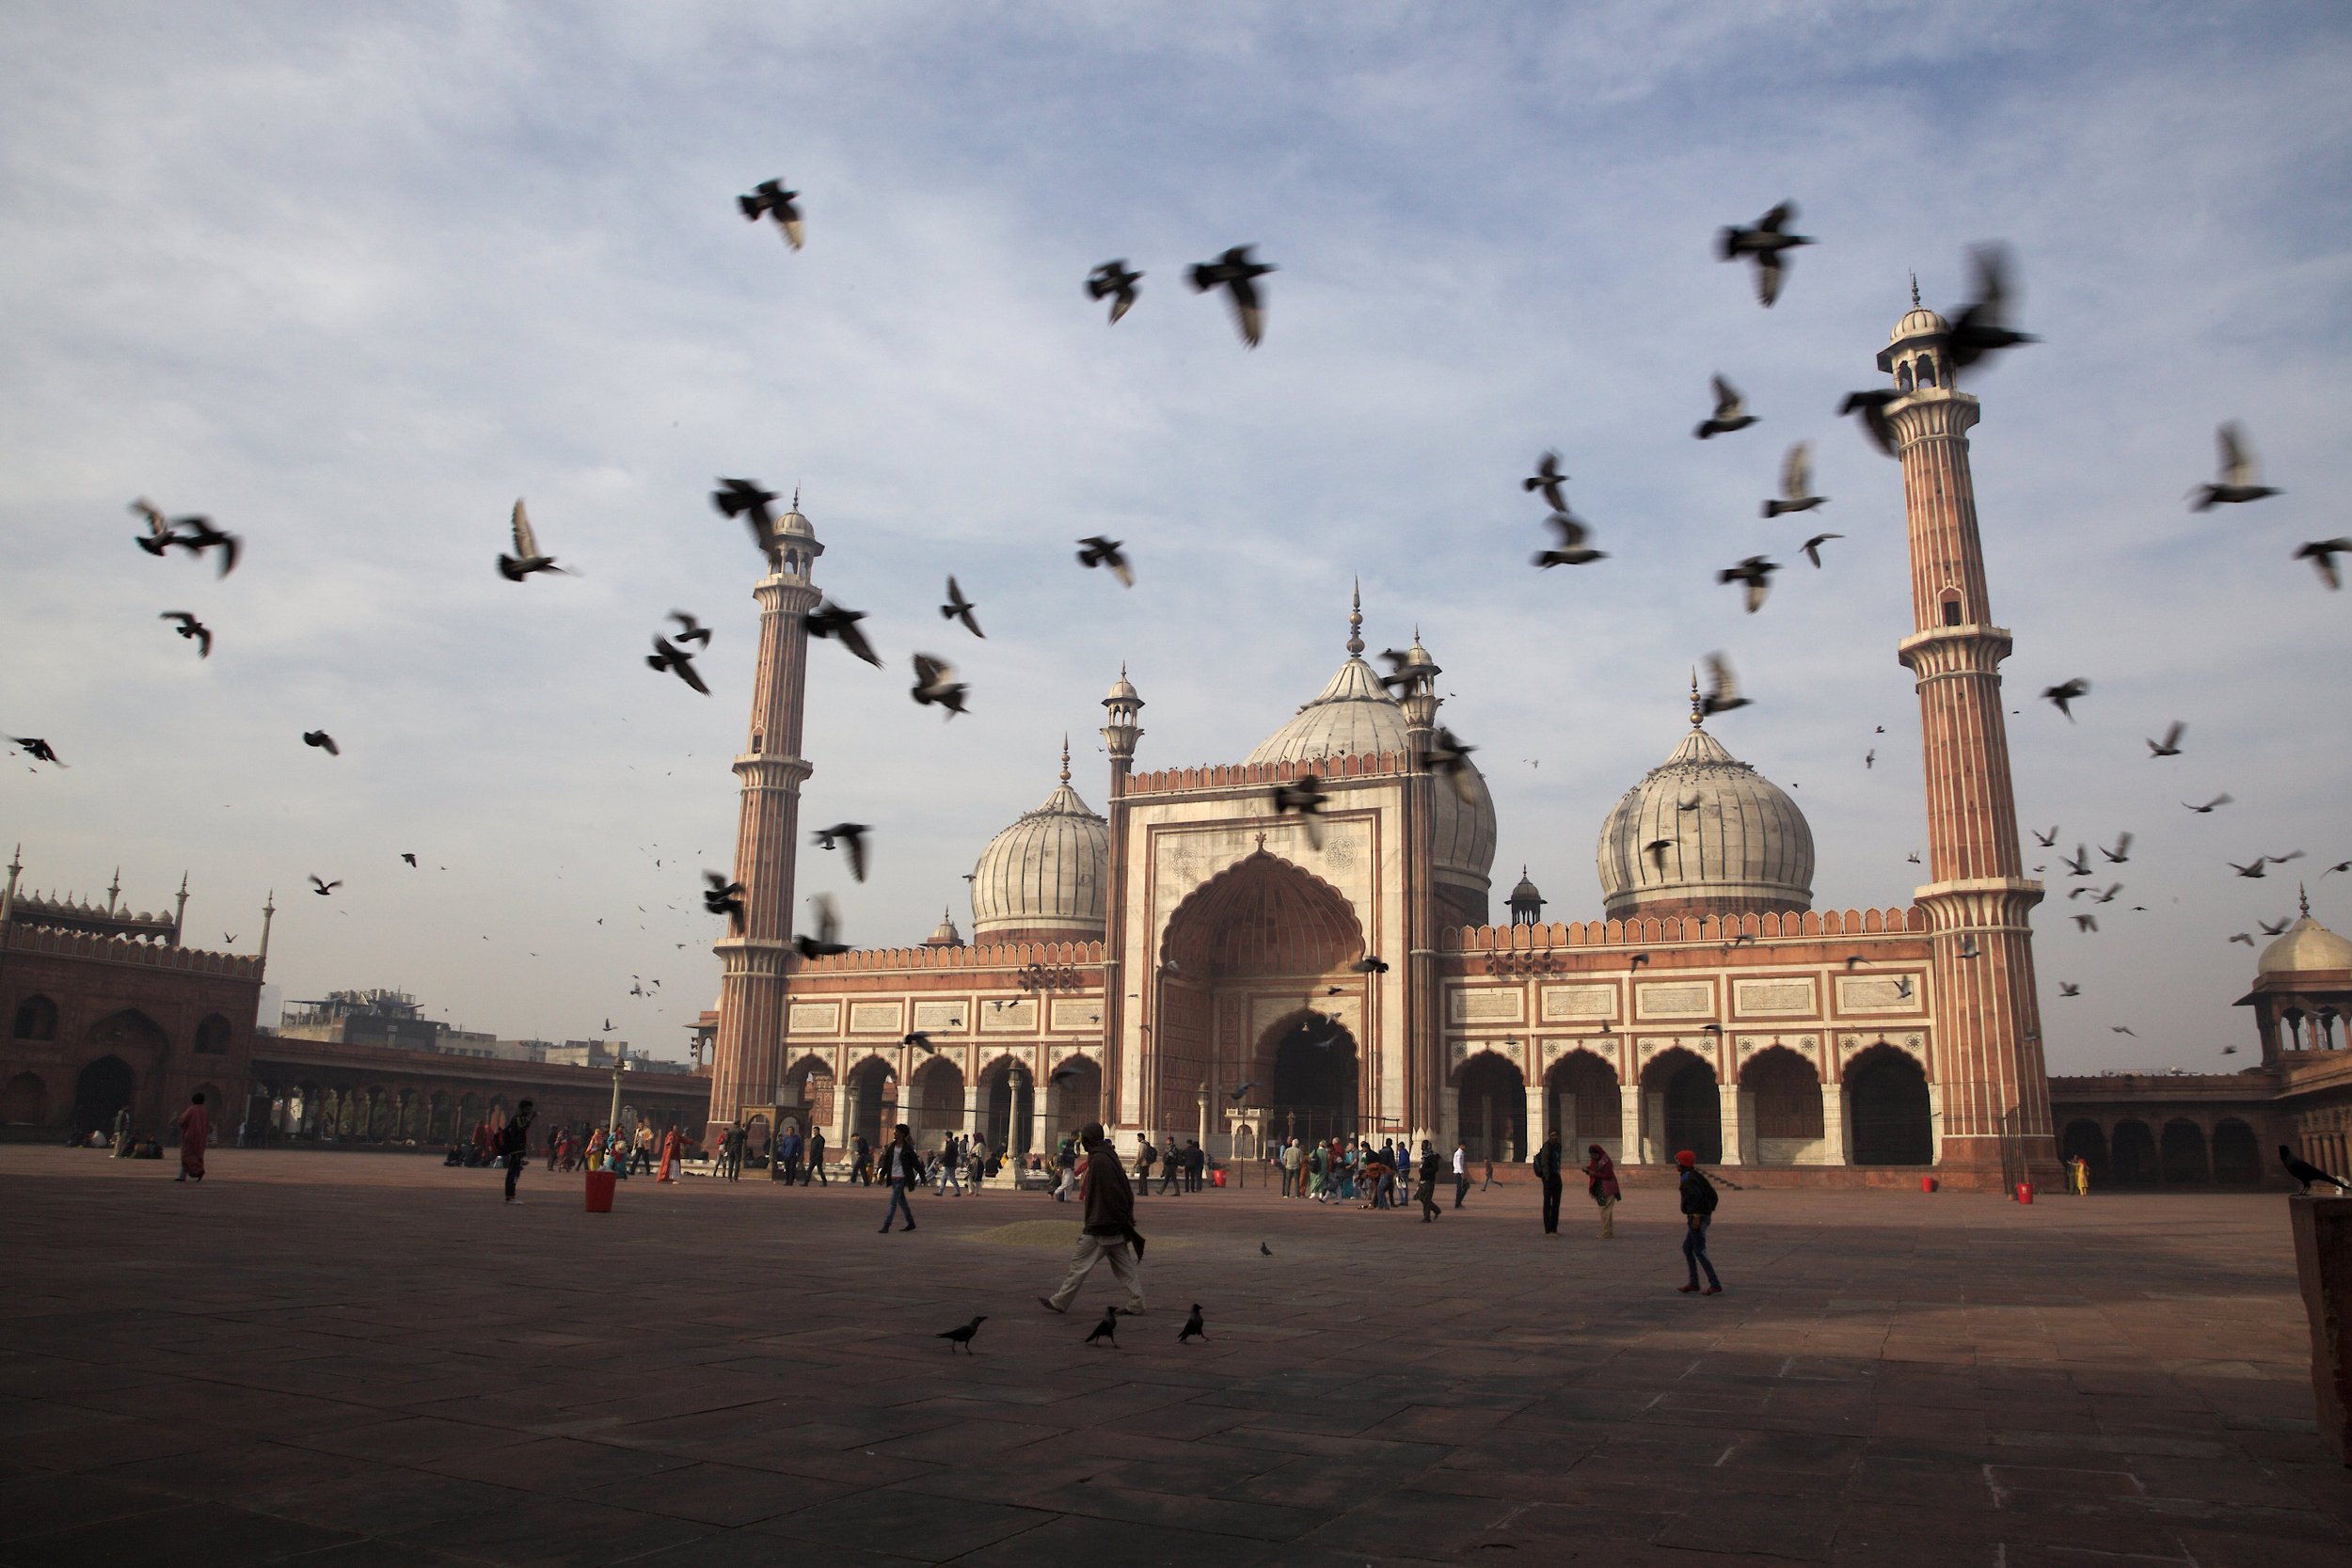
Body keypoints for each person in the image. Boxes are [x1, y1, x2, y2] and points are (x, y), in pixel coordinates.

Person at [1038, 1121, 1145, 1318]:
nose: (1083, 1145)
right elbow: (1123, 1190)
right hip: (1114, 1224)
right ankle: (1137, 1303)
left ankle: (1060, 1301)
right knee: (1125, 1267)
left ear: (1089, 1141)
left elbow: (1107, 1194)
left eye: (1084, 1141)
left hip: (1102, 1225)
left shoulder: (1100, 1161)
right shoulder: (1107, 1156)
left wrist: (1100, 1220)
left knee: (1079, 1263)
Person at [1675, 1149, 1722, 1294]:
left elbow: (1697, 1198)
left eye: (1677, 1162)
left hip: (1698, 1217)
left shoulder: (1689, 1179)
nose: (1675, 1165)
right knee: (1688, 1248)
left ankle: (1715, 1284)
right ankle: (1694, 1282)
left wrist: (1696, 1216)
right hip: (1699, 1216)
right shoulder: (1691, 1176)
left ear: (1682, 1164)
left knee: (1699, 1251)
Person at [878, 1123, 921, 1232]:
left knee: (893, 1202)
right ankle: (911, 1222)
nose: (895, 1133)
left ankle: (886, 1225)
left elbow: (915, 1162)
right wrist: (882, 1174)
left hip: (902, 1177)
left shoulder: (907, 1148)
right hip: (893, 1176)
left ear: (902, 1134)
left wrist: (922, 1175)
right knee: (901, 1202)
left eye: (897, 1132)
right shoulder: (892, 1147)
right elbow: (887, 1162)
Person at [501, 1099, 537, 1202]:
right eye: (527, 1109)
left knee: (515, 1172)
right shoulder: (518, 1118)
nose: (529, 1111)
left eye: (530, 1109)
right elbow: (522, 1129)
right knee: (512, 1172)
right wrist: (531, 1118)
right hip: (515, 1148)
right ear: (522, 1109)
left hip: (518, 1149)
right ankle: (510, 1196)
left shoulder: (521, 1118)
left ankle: (511, 1195)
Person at [1584, 1143, 1622, 1238]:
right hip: (1601, 1188)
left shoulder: (1605, 1161)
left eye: (1594, 1155)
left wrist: (1593, 1173)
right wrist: (1587, 1169)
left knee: (1605, 1211)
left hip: (1607, 1188)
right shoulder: (1596, 1160)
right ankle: (1608, 1231)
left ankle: (1606, 1232)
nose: (1593, 1157)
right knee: (1606, 1211)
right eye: (1592, 1155)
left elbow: (1608, 1175)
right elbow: (1593, 1168)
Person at [174, 1092, 212, 1183]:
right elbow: (208, 1124)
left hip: (190, 1136)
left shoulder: (191, 1110)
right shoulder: (204, 1111)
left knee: (186, 1155)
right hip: (201, 1137)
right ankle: (194, 1172)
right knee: (197, 1155)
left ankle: (189, 1173)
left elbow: (182, 1121)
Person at [1534, 1131, 1565, 1234]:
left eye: (1556, 1135)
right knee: (1547, 1204)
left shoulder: (1558, 1146)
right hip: (1548, 1177)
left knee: (1556, 1204)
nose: (1555, 1138)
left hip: (1556, 1176)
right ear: (1549, 1136)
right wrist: (1546, 1176)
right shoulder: (1547, 1146)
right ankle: (1548, 1229)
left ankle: (1554, 1229)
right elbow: (1544, 1162)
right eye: (1553, 1136)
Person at [1415, 1139, 1442, 1221]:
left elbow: (1435, 1168)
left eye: (1423, 1145)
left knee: (1426, 1198)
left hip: (1429, 1180)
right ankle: (1436, 1210)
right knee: (1420, 1197)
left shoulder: (1432, 1156)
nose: (1421, 1147)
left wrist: (1426, 1171)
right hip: (1423, 1180)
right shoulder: (1425, 1156)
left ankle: (1427, 1217)